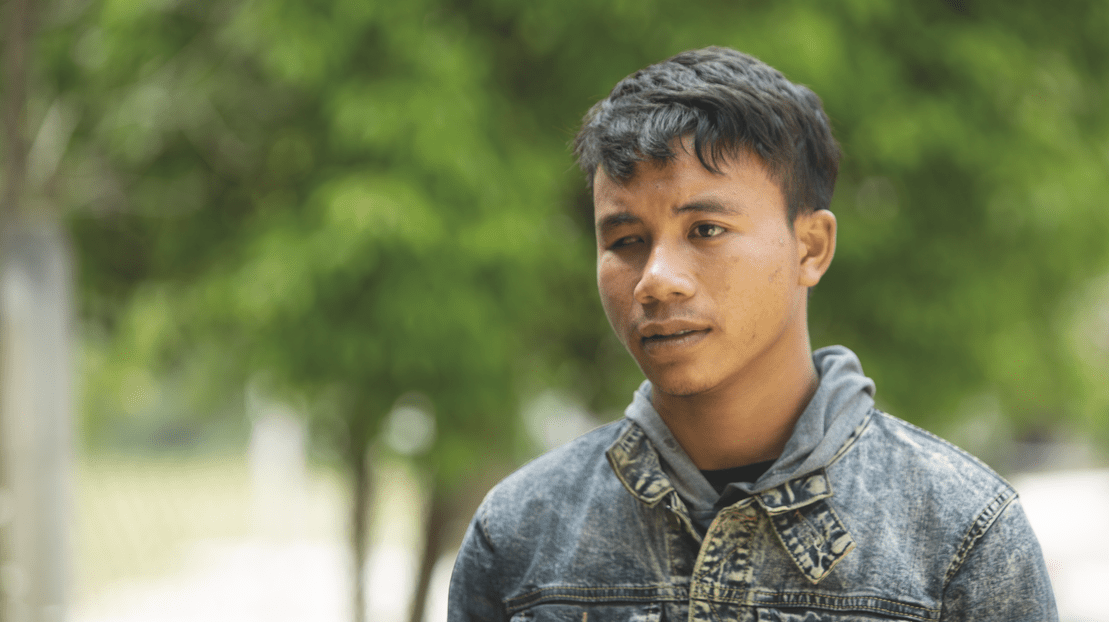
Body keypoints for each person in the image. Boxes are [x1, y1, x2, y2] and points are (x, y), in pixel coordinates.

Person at [447, 46, 1057, 621]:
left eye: (706, 230)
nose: (656, 281)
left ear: (811, 247)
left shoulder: (961, 537)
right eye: (626, 241)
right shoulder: (520, 536)